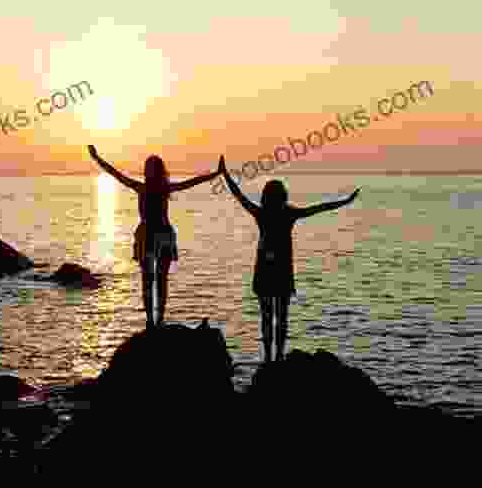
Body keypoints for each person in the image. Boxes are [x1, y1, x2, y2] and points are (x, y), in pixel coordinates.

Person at [219, 156, 360, 362]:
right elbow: (320, 208)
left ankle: (268, 357)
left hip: (265, 270)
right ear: (283, 196)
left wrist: (225, 174)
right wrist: (346, 201)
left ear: (266, 196)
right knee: (281, 316)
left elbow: (238, 195)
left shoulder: (261, 213)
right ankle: (278, 356)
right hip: (282, 271)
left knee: (267, 316)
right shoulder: (288, 213)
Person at [88, 145, 222, 328]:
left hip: (164, 236)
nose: (148, 171)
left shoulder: (164, 188)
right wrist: (96, 158)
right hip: (146, 236)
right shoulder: (140, 187)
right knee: (147, 279)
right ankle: (150, 320)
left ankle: (159, 319)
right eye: (147, 167)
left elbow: (191, 182)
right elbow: (115, 174)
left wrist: (215, 174)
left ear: (158, 171)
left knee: (161, 280)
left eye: (152, 167)